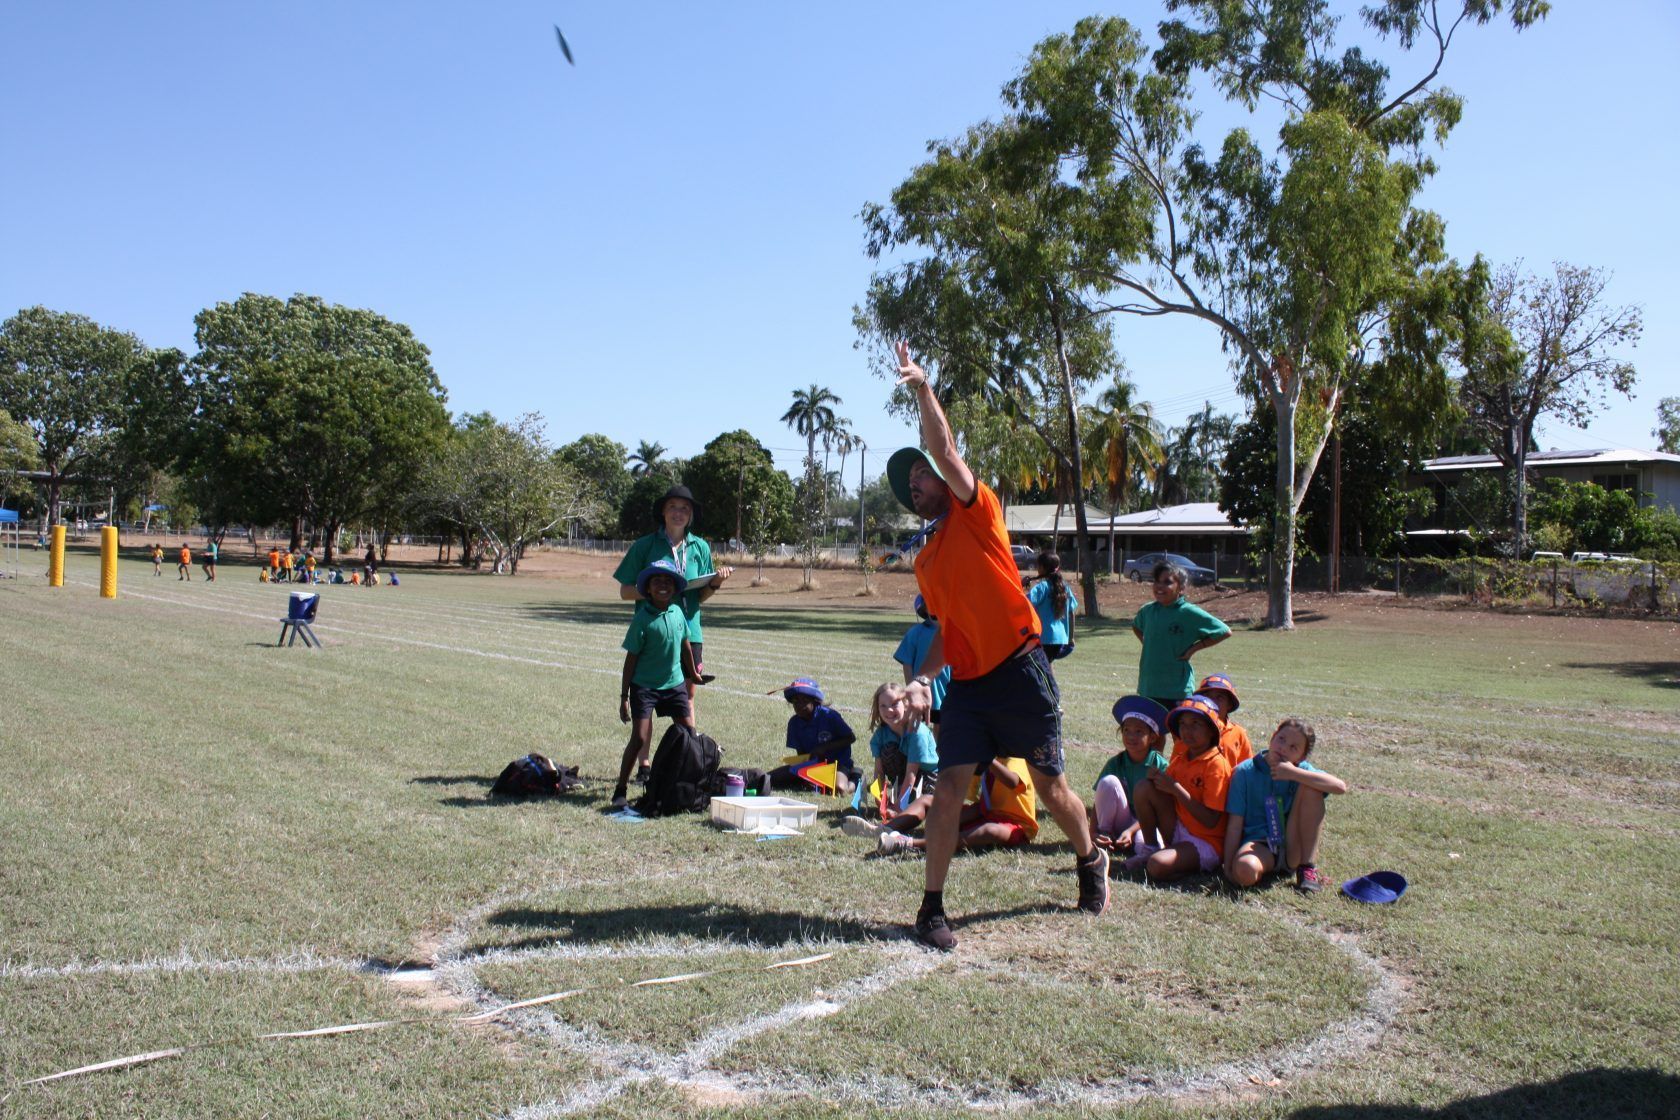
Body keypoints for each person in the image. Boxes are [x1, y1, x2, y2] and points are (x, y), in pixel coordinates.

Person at [889, 341, 1109, 952]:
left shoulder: (978, 512)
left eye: (922, 471)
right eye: (908, 478)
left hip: (1021, 671)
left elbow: (945, 449)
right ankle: (931, 908)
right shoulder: (927, 559)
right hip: (969, 685)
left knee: (1052, 787)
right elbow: (949, 635)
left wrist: (922, 387)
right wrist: (917, 679)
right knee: (948, 789)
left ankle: (1090, 859)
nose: (916, 479)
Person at [613, 484, 733, 773]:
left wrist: (715, 582)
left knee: (686, 698)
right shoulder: (644, 546)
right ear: (663, 513)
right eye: (673, 507)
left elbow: (699, 595)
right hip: (653, 631)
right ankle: (644, 765)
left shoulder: (700, 547)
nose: (679, 513)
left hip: (689, 632)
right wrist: (658, 591)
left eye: (685, 508)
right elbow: (625, 591)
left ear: (691, 515)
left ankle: (686, 761)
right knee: (647, 700)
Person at [613, 559, 702, 810]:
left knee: (689, 735)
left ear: (674, 588)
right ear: (648, 589)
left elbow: (686, 644)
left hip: (673, 685)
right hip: (645, 687)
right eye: (657, 581)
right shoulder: (642, 619)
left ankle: (691, 783)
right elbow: (630, 660)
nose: (663, 585)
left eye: (668, 581)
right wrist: (624, 696)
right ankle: (620, 788)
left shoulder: (677, 613)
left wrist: (693, 674)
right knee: (640, 738)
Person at [1224, 718, 1346, 894]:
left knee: (1312, 786)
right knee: (1245, 871)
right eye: (1281, 739)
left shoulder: (1301, 768)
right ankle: (1264, 867)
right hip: (1260, 845)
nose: (1284, 748)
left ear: (1302, 756)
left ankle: (1306, 868)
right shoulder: (1245, 772)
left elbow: (1339, 787)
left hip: (1293, 844)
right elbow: (1234, 825)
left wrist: (1295, 774)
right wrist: (1228, 866)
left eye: (1293, 747)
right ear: (1273, 737)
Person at [1128, 695, 1232, 881]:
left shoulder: (1216, 765)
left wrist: (1175, 789)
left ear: (1211, 731)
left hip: (1206, 841)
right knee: (1144, 787)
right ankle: (1150, 848)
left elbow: (1211, 820)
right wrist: (1157, 780)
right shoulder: (1182, 757)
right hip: (1180, 828)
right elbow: (1164, 790)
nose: (1187, 730)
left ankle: (1185, 866)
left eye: (1195, 724)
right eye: (1182, 724)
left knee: (1157, 865)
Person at [877, 757, 1039, 856]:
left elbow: (1012, 782)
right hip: (984, 814)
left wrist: (988, 759)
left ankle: (909, 843)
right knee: (927, 800)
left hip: (1016, 826)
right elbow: (975, 800)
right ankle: (883, 830)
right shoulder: (983, 758)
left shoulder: (1015, 758)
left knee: (991, 830)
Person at [1131, 563, 1231, 709]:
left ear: (1181, 588)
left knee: (1181, 731)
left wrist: (1194, 649)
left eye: (1167, 582)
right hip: (1149, 686)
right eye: (1157, 581)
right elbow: (1136, 626)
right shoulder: (1147, 611)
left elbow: (1224, 631)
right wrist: (1145, 642)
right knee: (1152, 730)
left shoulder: (1188, 613)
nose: (1159, 586)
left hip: (1177, 689)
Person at [1091, 696, 1170, 857]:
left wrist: (1131, 831)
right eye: (1126, 730)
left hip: (1147, 824)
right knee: (1108, 782)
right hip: (1123, 821)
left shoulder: (1160, 766)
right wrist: (1092, 832)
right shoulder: (1116, 763)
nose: (1131, 736)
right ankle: (1106, 835)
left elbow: (1161, 810)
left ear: (1153, 737)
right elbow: (1098, 800)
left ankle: (1134, 847)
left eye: (1139, 731)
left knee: (1147, 849)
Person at [768, 677, 858, 793]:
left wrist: (824, 748)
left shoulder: (830, 716)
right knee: (770, 778)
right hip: (815, 764)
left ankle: (856, 777)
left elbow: (851, 737)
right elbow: (802, 755)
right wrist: (806, 774)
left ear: (814, 700)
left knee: (840, 789)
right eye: (795, 702)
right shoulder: (794, 723)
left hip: (838, 763)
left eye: (804, 700)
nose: (799, 705)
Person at [892, 596, 951, 733]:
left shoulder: (953, 632)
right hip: (922, 690)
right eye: (931, 607)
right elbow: (907, 662)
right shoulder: (916, 632)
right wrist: (910, 686)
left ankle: (938, 752)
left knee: (942, 725)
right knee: (919, 727)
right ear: (924, 610)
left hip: (947, 689)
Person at [1027, 550, 1078, 661]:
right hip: (1060, 638)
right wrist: (1071, 637)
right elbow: (1071, 613)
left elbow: (1024, 604)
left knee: (1041, 671)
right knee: (1047, 667)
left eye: (1038, 566)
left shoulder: (1041, 587)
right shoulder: (1065, 587)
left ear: (1043, 568)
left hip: (1044, 638)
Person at [1196, 674, 1252, 766]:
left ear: (1229, 704)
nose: (1212, 702)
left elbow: (1248, 769)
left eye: (1219, 697)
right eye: (1208, 697)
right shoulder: (1189, 731)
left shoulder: (1238, 733)